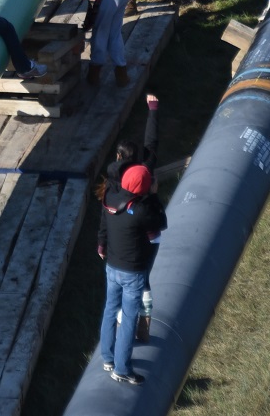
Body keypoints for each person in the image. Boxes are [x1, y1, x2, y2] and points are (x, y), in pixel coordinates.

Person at [95, 160, 166, 386]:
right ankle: (122, 368)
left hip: (112, 267)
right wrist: (153, 196)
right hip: (132, 272)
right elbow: (161, 223)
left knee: (109, 308)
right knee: (128, 319)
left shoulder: (110, 199)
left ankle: (107, 357)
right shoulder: (141, 211)